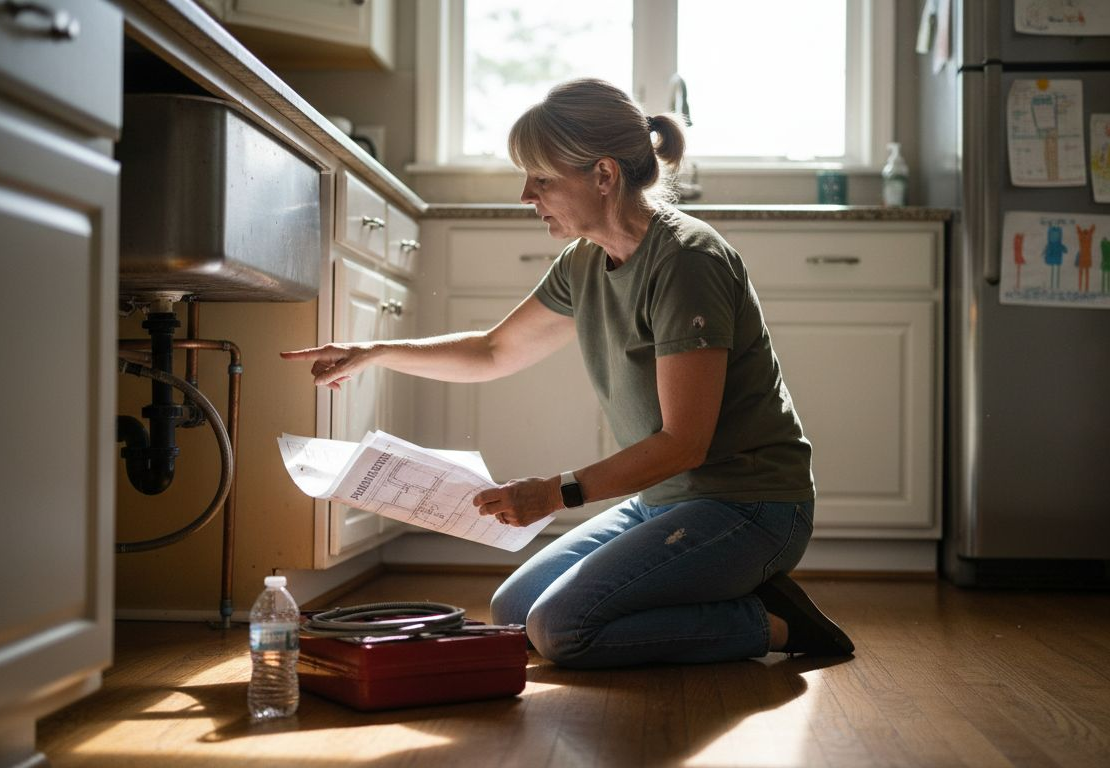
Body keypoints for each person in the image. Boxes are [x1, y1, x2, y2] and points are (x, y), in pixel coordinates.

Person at [281, 78, 853, 669]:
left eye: (543, 178)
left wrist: (555, 493)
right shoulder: (583, 262)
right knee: (513, 609)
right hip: (663, 502)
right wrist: (374, 350)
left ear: (603, 175)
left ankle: (776, 623)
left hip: (749, 506)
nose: (527, 194)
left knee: (562, 629)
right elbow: (493, 351)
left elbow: (685, 443)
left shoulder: (686, 261)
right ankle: (716, 586)